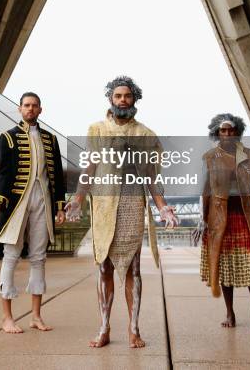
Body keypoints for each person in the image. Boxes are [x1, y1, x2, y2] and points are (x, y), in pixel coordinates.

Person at [65, 76, 178, 348]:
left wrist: (163, 208)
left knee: (132, 269)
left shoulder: (146, 135)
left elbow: (151, 177)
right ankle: (104, 328)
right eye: (117, 96)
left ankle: (134, 330)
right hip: (104, 207)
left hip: (131, 206)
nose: (122, 101)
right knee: (104, 266)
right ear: (110, 99)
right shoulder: (96, 130)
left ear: (135, 99)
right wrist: (78, 199)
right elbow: (89, 169)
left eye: (127, 96)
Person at [0, 92, 65, 334]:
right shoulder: (8, 137)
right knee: (11, 256)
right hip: (17, 202)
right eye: (26, 105)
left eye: (34, 106)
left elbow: (56, 176)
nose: (30, 109)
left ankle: (36, 316)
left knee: (39, 258)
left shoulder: (50, 139)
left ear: (40, 110)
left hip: (43, 200)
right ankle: (7, 318)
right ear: (20, 109)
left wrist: (59, 205)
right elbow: (4, 174)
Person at [194, 113, 250, 330]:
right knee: (224, 271)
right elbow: (205, 190)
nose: (228, 134)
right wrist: (200, 219)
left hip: (247, 214)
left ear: (237, 132)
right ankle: (230, 315)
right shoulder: (209, 157)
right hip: (219, 217)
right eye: (223, 130)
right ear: (217, 133)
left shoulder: (249, 155)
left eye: (231, 130)